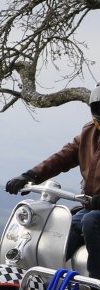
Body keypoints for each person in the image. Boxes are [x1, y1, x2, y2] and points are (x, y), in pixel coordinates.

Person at [7, 86, 100, 276]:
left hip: (94, 213)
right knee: (63, 230)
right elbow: (62, 157)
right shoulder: (89, 132)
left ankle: (96, 285)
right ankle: (48, 280)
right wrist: (30, 175)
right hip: (91, 207)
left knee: (91, 222)